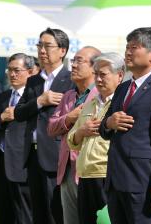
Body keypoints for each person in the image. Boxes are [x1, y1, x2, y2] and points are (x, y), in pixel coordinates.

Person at [99, 27, 151, 224]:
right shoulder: (123, 87)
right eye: (127, 47)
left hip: (142, 180)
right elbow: (103, 129)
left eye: (134, 47)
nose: (128, 52)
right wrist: (109, 122)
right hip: (115, 179)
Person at [15, 27, 75, 224]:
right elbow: (19, 113)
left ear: (62, 51)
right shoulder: (33, 81)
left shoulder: (70, 80)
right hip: (31, 155)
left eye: (47, 46)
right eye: (39, 45)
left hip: (57, 154)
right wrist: (40, 101)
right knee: (37, 213)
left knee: (55, 212)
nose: (41, 50)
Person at [67, 52, 125, 224]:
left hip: (106, 176)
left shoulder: (122, 104)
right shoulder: (90, 103)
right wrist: (81, 131)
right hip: (85, 175)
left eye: (103, 74)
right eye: (96, 74)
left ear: (119, 76)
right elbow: (72, 142)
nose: (98, 79)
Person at [47, 46, 101, 224]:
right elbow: (51, 127)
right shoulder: (68, 96)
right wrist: (69, 117)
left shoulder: (100, 95)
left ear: (94, 67)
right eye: (73, 61)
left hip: (89, 171)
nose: (74, 66)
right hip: (66, 169)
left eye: (79, 61)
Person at [0, 53, 34, 224]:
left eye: (17, 70)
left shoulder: (34, 98)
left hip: (23, 163)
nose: (12, 75)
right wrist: (1, 118)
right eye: (10, 70)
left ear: (30, 71)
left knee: (24, 213)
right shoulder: (2, 97)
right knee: (3, 212)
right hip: (0, 163)